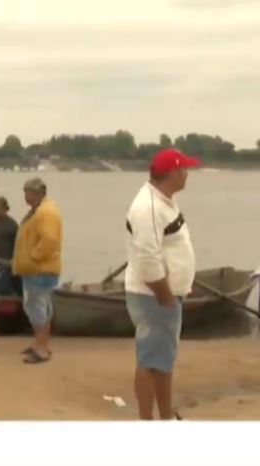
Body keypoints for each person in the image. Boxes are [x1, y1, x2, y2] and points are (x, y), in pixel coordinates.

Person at [124, 148, 199, 420]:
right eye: (185, 169)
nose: (188, 173)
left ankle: (164, 415)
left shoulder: (163, 201)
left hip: (162, 294)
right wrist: (166, 295)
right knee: (151, 359)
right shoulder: (149, 207)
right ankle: (149, 419)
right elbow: (148, 259)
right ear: (173, 172)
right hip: (153, 296)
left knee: (161, 359)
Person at [11, 177, 62, 364]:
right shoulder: (37, 211)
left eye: (29, 192)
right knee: (39, 307)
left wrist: (33, 257)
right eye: (25, 192)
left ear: (40, 193)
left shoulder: (46, 213)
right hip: (35, 269)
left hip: (39, 269)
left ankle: (41, 348)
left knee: (37, 307)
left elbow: (49, 240)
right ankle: (41, 344)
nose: (26, 196)